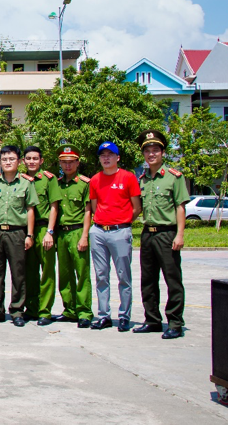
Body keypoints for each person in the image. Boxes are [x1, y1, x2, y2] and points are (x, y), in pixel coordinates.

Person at [134, 130, 188, 340]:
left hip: (167, 234)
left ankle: (175, 322)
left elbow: (180, 207)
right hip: (147, 233)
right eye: (147, 150)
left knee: (172, 279)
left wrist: (180, 235)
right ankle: (152, 320)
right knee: (148, 280)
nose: (151, 154)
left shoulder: (174, 177)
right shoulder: (143, 179)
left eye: (155, 150)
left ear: (163, 152)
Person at [88, 141, 142, 332]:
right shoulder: (95, 180)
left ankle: (124, 316)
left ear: (117, 157)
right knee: (101, 276)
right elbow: (94, 206)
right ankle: (104, 315)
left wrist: (124, 222)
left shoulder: (128, 177)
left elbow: (137, 207)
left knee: (123, 276)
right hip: (99, 231)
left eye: (110, 154)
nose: (106, 158)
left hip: (120, 231)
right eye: (103, 155)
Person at [0, 145, 37, 327]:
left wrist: (29, 235)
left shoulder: (26, 183)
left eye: (11, 159)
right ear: (0, 161)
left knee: (18, 274)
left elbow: (30, 209)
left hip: (17, 233)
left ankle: (16, 311)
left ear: (19, 161)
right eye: (5, 159)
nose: (8, 162)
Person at [52, 145, 93, 328]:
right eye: (64, 162)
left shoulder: (84, 183)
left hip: (77, 231)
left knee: (82, 273)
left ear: (77, 162)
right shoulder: (57, 184)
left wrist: (84, 236)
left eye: (71, 162)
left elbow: (88, 211)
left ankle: (84, 311)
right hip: (61, 233)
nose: (67, 166)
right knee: (65, 273)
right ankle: (69, 309)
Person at [22, 146, 62, 326]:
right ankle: (31, 308)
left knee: (47, 272)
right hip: (26, 231)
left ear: (41, 161)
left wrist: (50, 232)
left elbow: (54, 206)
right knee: (29, 273)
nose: (31, 162)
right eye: (28, 158)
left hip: (44, 229)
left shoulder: (49, 179)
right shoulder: (21, 180)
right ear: (23, 161)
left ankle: (45, 311)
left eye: (35, 158)